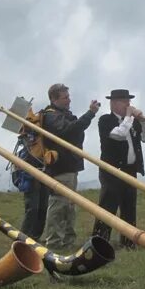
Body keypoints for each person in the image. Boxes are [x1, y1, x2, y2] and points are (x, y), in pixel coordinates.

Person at [93, 89, 145, 248]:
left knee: (129, 206)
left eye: (128, 101)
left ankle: (128, 242)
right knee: (108, 206)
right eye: (123, 101)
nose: (128, 104)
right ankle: (100, 241)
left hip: (130, 170)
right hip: (112, 170)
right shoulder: (105, 120)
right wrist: (128, 117)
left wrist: (142, 121)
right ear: (113, 104)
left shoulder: (133, 121)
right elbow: (118, 135)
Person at [41, 83, 100, 251]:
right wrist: (90, 113)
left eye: (68, 96)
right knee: (59, 206)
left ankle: (67, 242)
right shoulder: (52, 117)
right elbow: (69, 131)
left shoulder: (63, 115)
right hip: (60, 168)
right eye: (65, 97)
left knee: (69, 207)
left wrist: (87, 116)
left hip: (70, 167)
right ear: (53, 99)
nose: (69, 100)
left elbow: (75, 129)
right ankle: (53, 243)